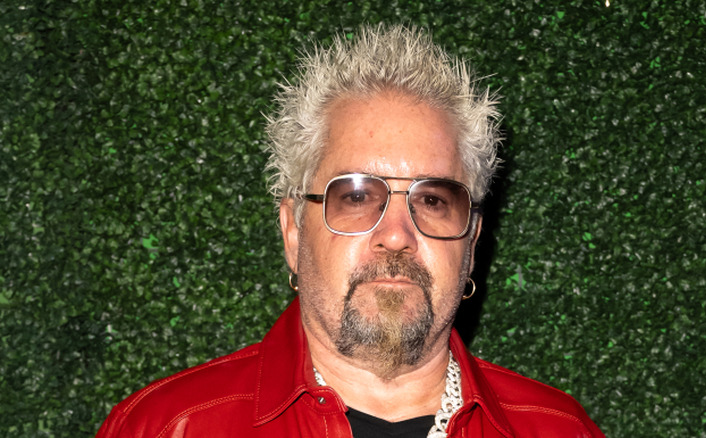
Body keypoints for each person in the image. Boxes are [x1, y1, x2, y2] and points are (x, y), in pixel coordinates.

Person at [97, 24, 604, 438]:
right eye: (357, 196)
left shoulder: (558, 429)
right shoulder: (163, 427)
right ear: (294, 232)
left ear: (470, 243)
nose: (398, 234)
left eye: (433, 200)